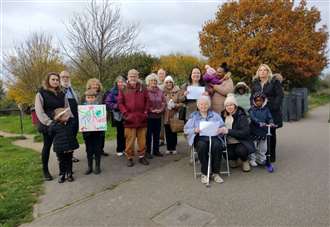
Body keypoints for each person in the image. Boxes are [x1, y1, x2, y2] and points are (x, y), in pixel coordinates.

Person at [184, 95, 225, 184]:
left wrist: (221, 129)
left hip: (213, 136)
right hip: (200, 138)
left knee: (217, 146)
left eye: (206, 104)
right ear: (198, 106)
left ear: (209, 105)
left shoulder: (215, 115)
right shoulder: (194, 117)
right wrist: (194, 130)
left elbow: (223, 127)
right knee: (202, 146)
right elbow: (186, 130)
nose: (203, 106)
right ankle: (205, 173)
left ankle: (216, 173)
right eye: (201, 104)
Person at [35, 72, 68, 181]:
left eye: (57, 80)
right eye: (53, 79)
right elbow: (39, 111)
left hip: (60, 123)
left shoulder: (62, 93)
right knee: (47, 146)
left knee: (61, 146)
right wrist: (49, 122)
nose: (55, 81)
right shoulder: (41, 93)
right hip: (48, 124)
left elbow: (66, 107)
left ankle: (63, 169)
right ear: (48, 81)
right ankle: (45, 170)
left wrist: (66, 118)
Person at [250, 64, 284, 162]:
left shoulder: (274, 82)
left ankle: (271, 156)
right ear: (258, 72)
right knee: (260, 133)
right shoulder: (255, 82)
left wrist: (274, 106)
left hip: (272, 111)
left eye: (265, 70)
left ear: (268, 72)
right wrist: (253, 107)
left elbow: (280, 95)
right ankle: (261, 156)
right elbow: (252, 96)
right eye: (260, 70)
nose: (262, 72)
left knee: (271, 133)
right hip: (259, 112)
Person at [118, 69, 150, 167]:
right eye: (131, 76)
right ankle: (129, 157)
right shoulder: (123, 88)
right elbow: (120, 103)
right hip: (129, 119)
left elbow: (147, 101)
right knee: (129, 140)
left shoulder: (143, 88)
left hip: (142, 118)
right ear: (128, 77)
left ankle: (141, 156)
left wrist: (145, 112)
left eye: (135, 76)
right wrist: (125, 114)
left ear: (138, 77)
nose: (133, 77)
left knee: (142, 140)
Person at [219, 94, 255, 172]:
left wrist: (228, 131)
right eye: (227, 105)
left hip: (241, 141)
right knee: (226, 153)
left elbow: (245, 132)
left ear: (235, 105)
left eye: (231, 105)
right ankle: (234, 159)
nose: (229, 107)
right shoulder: (223, 115)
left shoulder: (241, 115)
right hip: (228, 142)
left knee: (241, 151)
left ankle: (245, 160)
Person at [49, 108, 79, 183]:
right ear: (59, 117)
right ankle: (62, 174)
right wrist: (55, 120)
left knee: (69, 160)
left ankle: (69, 174)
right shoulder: (54, 125)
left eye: (67, 115)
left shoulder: (71, 122)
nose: (67, 117)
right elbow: (50, 132)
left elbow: (75, 123)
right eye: (65, 116)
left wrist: (67, 113)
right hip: (60, 147)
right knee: (61, 161)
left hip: (69, 146)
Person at [248, 92, 274, 169]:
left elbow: (269, 117)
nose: (259, 102)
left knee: (263, 147)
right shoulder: (252, 109)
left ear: (264, 101)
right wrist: (259, 122)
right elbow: (253, 118)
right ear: (254, 101)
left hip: (263, 131)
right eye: (257, 100)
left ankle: (261, 159)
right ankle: (252, 159)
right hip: (254, 130)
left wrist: (271, 122)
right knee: (254, 146)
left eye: (260, 100)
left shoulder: (266, 109)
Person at [60, 70, 80, 163]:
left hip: (75, 117)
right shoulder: (59, 90)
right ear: (60, 78)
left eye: (67, 77)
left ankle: (71, 156)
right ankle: (64, 158)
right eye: (63, 77)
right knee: (66, 138)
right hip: (66, 118)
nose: (65, 79)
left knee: (73, 137)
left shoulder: (72, 89)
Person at [82, 90, 103, 174]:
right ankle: (89, 166)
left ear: (95, 98)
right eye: (88, 97)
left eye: (92, 97)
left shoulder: (99, 107)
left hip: (97, 133)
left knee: (97, 149)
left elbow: (101, 119)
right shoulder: (82, 108)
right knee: (89, 150)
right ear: (86, 98)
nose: (90, 99)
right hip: (87, 133)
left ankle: (97, 166)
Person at [145, 73, 166, 159]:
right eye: (152, 80)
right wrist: (151, 110)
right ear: (148, 82)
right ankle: (148, 152)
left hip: (158, 116)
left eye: (155, 80)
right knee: (148, 135)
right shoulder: (145, 91)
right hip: (149, 117)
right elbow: (145, 103)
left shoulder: (160, 91)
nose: (153, 82)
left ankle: (156, 151)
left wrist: (160, 109)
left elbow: (164, 102)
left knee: (157, 134)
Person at [86, 78, 108, 157]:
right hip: (89, 119)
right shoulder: (85, 94)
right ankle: (92, 152)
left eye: (97, 84)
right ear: (89, 85)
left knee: (101, 135)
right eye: (93, 84)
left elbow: (106, 104)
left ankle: (100, 150)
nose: (95, 86)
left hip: (100, 118)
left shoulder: (102, 94)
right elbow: (82, 105)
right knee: (91, 136)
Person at [163, 75, 185, 155]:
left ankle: (174, 147)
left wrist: (175, 105)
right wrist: (165, 105)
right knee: (167, 131)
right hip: (166, 114)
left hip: (174, 114)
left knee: (174, 131)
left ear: (172, 83)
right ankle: (169, 148)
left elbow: (181, 103)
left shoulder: (177, 91)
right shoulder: (163, 91)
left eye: (170, 82)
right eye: (167, 82)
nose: (168, 83)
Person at [105, 76, 126, 156]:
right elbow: (108, 102)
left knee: (127, 133)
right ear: (116, 83)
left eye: (122, 81)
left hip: (127, 114)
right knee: (120, 132)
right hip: (118, 114)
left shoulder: (127, 90)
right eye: (119, 82)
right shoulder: (112, 92)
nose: (120, 83)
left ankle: (126, 148)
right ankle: (120, 149)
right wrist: (116, 106)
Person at [157, 68, 167, 146]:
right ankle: (161, 139)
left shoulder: (168, 82)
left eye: (162, 73)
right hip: (158, 106)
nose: (161, 75)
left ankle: (169, 139)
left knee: (166, 123)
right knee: (160, 124)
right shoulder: (155, 83)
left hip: (167, 106)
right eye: (160, 73)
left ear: (165, 74)